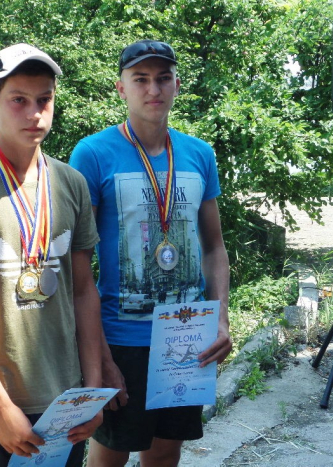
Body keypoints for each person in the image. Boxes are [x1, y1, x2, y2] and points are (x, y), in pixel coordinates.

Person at [0, 43, 104, 467]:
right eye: (18, 100)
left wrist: (91, 391)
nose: (34, 113)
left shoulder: (71, 183)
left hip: (64, 399)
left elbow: (83, 291)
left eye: (44, 100)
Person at [69, 39, 232, 467]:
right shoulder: (93, 154)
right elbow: (77, 265)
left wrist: (220, 317)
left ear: (177, 85)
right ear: (121, 88)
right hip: (122, 338)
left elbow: (214, 247)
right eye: (140, 79)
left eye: (163, 78)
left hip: (187, 335)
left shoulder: (199, 154)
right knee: (110, 455)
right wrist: (99, 356)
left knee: (164, 453)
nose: (153, 89)